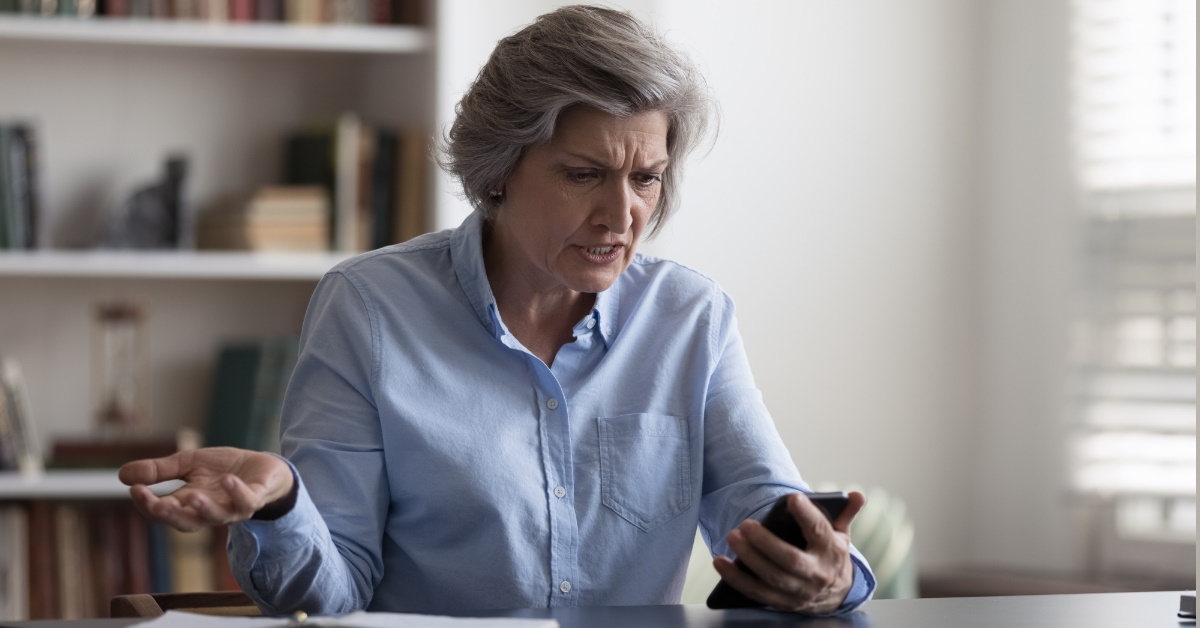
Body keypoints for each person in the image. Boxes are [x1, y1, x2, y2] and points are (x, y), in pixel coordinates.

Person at [119, 5, 876, 616]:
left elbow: (773, 517)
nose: (623, 214)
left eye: (647, 178)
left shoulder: (691, 319)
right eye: (584, 174)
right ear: (500, 170)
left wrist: (832, 575)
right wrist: (282, 504)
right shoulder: (370, 309)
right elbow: (331, 593)